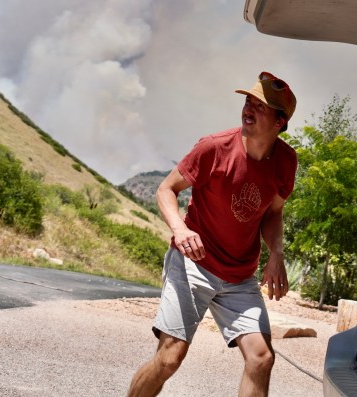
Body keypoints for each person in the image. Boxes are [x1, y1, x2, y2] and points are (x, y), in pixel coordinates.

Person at [127, 71, 298, 397]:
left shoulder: (286, 162)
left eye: (260, 105)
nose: (249, 107)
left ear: (280, 122)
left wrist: (276, 253)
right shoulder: (213, 148)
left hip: (239, 274)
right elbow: (166, 189)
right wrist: (179, 229)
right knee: (169, 358)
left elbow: (273, 213)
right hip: (193, 263)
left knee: (261, 358)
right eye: (248, 100)